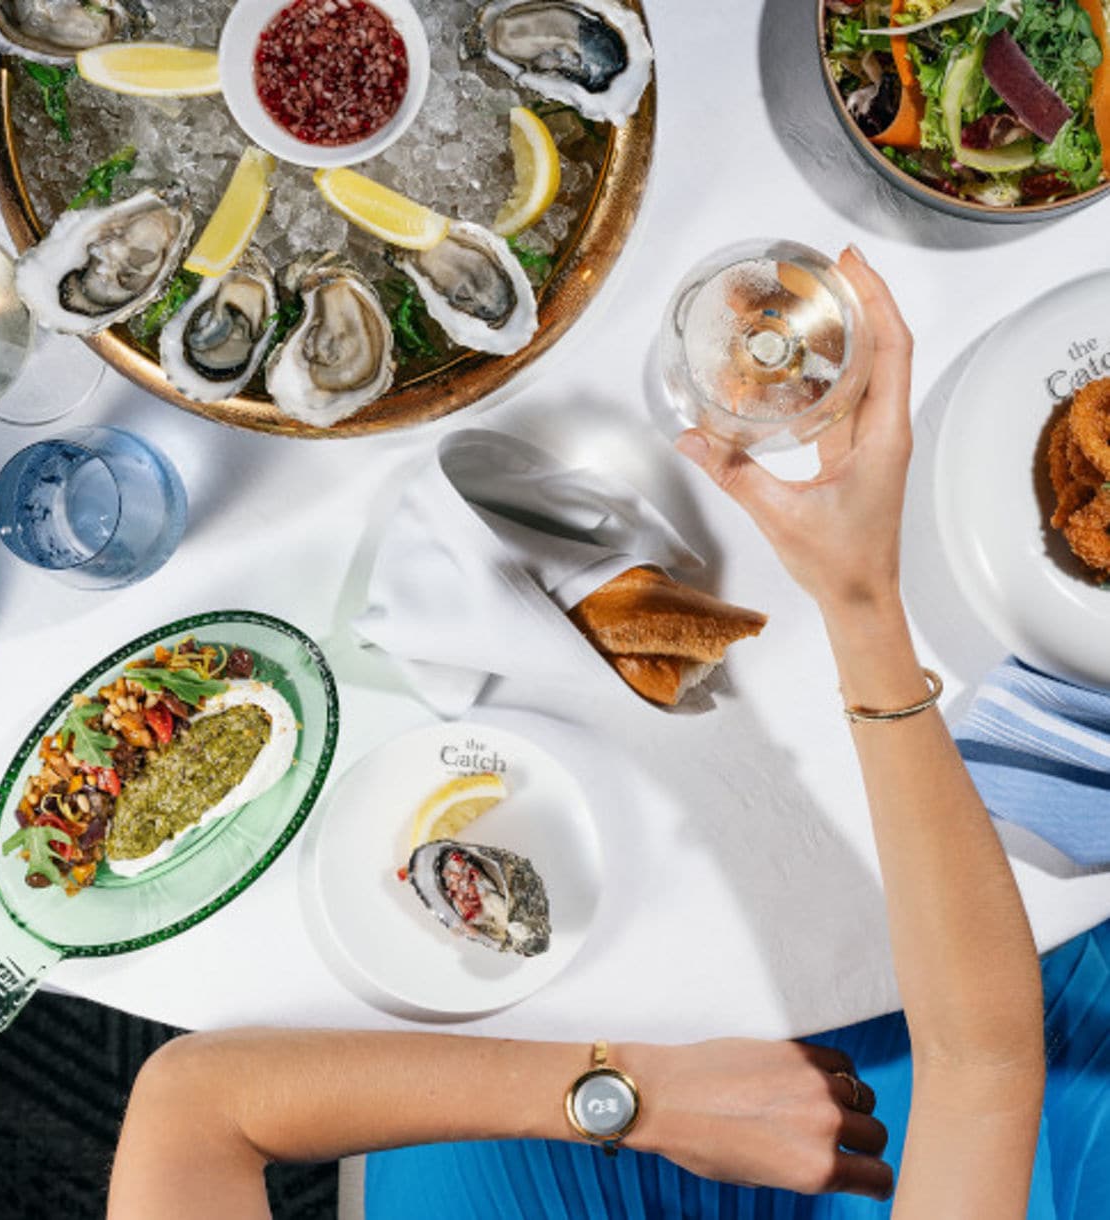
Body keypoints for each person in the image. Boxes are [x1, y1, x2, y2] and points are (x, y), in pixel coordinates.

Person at [107, 250, 1046, 1219]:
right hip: (861, 1131)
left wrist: (626, 1094)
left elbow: (194, 1103)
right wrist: (858, 606)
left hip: (531, 1128)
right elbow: (980, 1063)